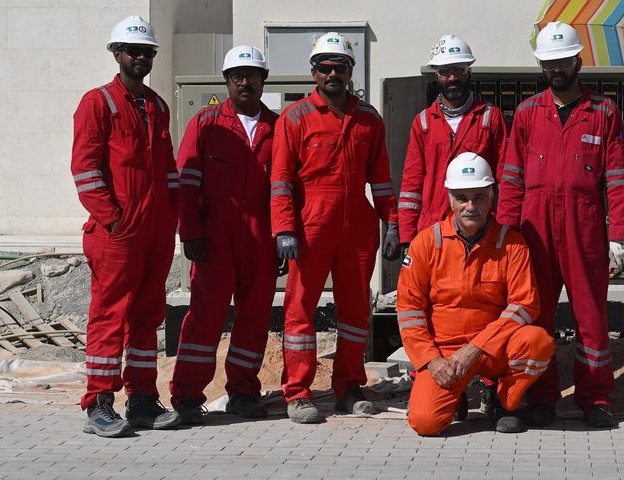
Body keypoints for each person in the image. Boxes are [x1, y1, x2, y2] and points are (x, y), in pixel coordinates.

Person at [497, 22, 624, 429]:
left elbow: (617, 180)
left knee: (591, 317)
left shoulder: (604, 112)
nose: (556, 68)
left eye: (563, 61)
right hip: (534, 228)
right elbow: (511, 179)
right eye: (548, 63)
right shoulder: (526, 113)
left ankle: (595, 398)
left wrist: (620, 236)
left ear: (577, 60)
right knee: (535, 316)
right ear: (542, 66)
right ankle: (541, 397)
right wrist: (505, 235)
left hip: (584, 226)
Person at [271, 32, 396, 423]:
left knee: (357, 310)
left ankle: (349, 386)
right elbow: (280, 181)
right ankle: (298, 392)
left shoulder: (368, 119)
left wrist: (392, 223)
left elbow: (382, 181)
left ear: (350, 71)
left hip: (357, 228)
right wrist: (284, 229)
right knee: (300, 310)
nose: (332, 73)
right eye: (324, 67)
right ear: (313, 72)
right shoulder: (295, 118)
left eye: (339, 67)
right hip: (312, 225)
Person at [73, 15, 182, 437]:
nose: (140, 57)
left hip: (154, 231)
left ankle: (141, 400)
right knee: (109, 315)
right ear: (116, 54)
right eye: (133, 51)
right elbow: (85, 171)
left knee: (146, 316)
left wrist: (171, 216)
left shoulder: (156, 106)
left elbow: (167, 169)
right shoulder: (97, 103)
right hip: (116, 232)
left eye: (147, 52)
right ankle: (98, 403)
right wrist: (114, 218)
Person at [395, 152, 554, 436]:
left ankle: (503, 402)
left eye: (479, 197)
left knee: (537, 341)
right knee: (426, 423)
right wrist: (431, 361)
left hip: (493, 350)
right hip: (444, 354)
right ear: (450, 200)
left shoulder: (512, 244)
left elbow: (525, 304)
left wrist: (476, 347)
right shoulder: (426, 243)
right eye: (462, 198)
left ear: (492, 197)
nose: (471, 206)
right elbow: (409, 311)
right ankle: (456, 395)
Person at [169, 45, 279, 424]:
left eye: (252, 75)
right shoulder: (206, 123)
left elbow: (287, 188)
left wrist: (281, 235)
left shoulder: (278, 128)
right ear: (227, 82)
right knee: (204, 316)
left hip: (260, 237)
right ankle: (185, 396)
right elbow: (187, 182)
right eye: (237, 77)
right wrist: (191, 232)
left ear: (264, 81)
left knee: (254, 316)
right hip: (214, 237)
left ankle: (244, 392)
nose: (244, 82)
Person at [391, 35, 507, 258]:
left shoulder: (490, 118)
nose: (452, 77)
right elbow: (411, 184)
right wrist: (406, 234)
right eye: (445, 71)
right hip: (432, 228)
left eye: (459, 70)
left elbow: (503, 179)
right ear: (437, 76)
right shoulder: (423, 122)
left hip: (478, 225)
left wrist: (504, 226)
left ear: (469, 72)